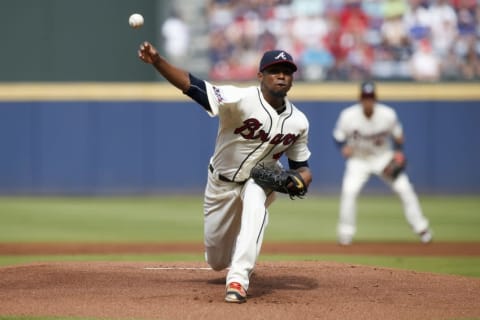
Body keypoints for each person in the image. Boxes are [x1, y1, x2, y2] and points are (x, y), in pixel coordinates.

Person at [137, 42, 312, 303]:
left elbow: (302, 169)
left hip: (261, 179)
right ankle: (232, 261)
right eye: (275, 70)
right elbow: (192, 86)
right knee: (216, 260)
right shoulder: (239, 99)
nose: (282, 75)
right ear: (260, 76)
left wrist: (299, 180)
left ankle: (238, 280)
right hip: (221, 183)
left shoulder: (299, 122)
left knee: (256, 206)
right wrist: (158, 61)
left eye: (287, 71)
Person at [332, 81, 432, 245]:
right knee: (349, 192)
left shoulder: (388, 114)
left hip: (383, 158)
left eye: (370, 97)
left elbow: (398, 136)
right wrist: (343, 147)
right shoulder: (348, 115)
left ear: (375, 99)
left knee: (405, 189)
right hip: (359, 159)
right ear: (360, 99)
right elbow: (338, 136)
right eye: (365, 97)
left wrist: (399, 151)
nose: (368, 101)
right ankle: (345, 234)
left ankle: (422, 229)